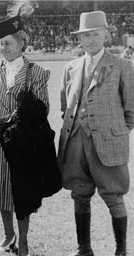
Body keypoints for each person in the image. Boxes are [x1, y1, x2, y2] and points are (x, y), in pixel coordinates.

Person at [58, 11, 134, 256]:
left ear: (106, 35)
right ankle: (84, 248)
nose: (89, 40)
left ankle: (121, 251)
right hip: (76, 142)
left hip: (108, 142)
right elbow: (64, 106)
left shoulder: (122, 66)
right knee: (79, 194)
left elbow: (131, 111)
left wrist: (114, 132)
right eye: (85, 36)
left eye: (94, 34)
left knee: (114, 197)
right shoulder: (71, 67)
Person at [0, 16, 52, 256]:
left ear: (21, 43)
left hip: (23, 144)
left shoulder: (37, 72)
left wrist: (14, 126)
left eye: (8, 43)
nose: (3, 48)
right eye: (0, 44)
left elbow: (43, 107)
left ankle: (24, 241)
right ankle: (9, 236)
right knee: (1, 190)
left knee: (22, 192)